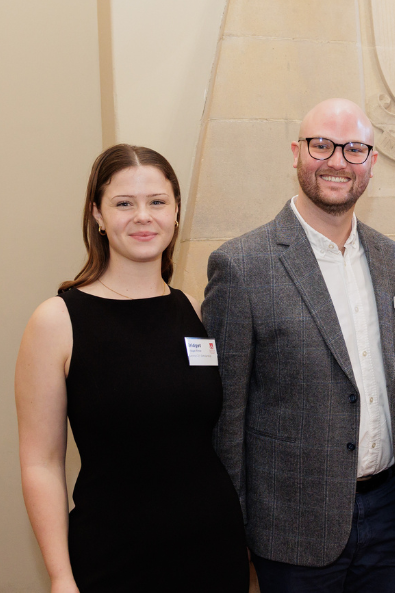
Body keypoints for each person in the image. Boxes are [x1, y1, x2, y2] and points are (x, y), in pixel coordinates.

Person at [203, 98, 395, 593]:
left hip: (393, 518)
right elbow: (225, 417)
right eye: (321, 145)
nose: (337, 161)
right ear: (296, 152)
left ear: (371, 162)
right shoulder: (241, 267)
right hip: (293, 528)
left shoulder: (391, 258)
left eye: (354, 149)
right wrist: (230, 529)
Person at [15, 144, 249, 593]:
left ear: (176, 212)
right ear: (98, 215)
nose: (143, 216)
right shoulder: (57, 321)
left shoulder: (195, 310)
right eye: (124, 203)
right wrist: (61, 577)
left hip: (213, 552)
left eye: (157, 202)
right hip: (112, 558)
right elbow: (41, 463)